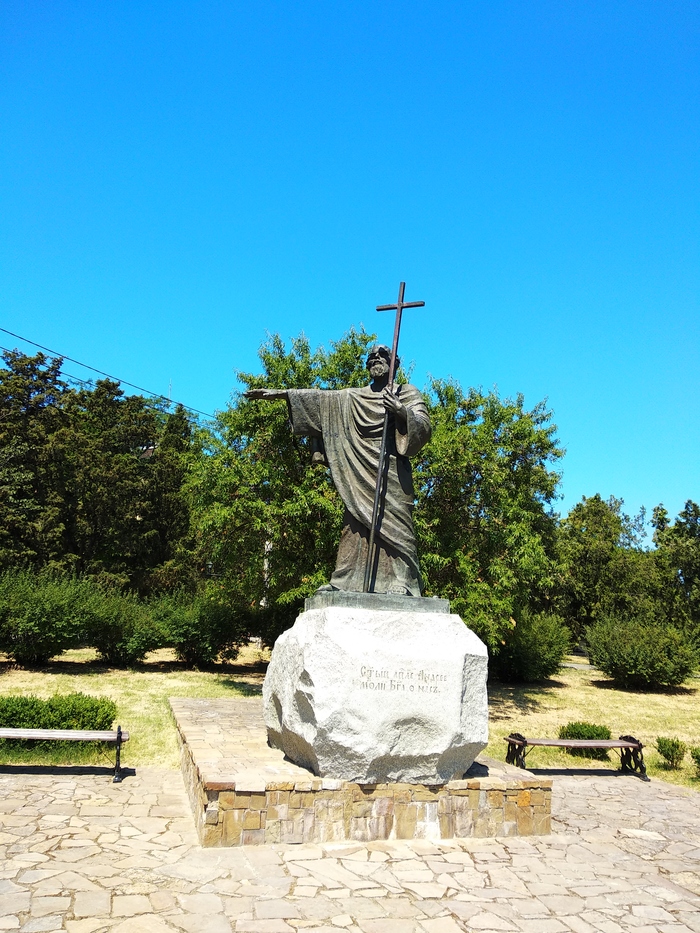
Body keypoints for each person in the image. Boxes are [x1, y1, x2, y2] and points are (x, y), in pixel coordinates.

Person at [245, 345, 431, 595]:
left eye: (382, 356)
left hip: (392, 470)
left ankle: (403, 582)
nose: (376, 359)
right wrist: (282, 394)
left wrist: (399, 410)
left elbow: (423, 427)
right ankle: (345, 581)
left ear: (394, 363)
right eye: (372, 357)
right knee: (353, 523)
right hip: (358, 470)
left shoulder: (406, 392)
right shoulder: (351, 397)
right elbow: (319, 400)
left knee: (397, 527)